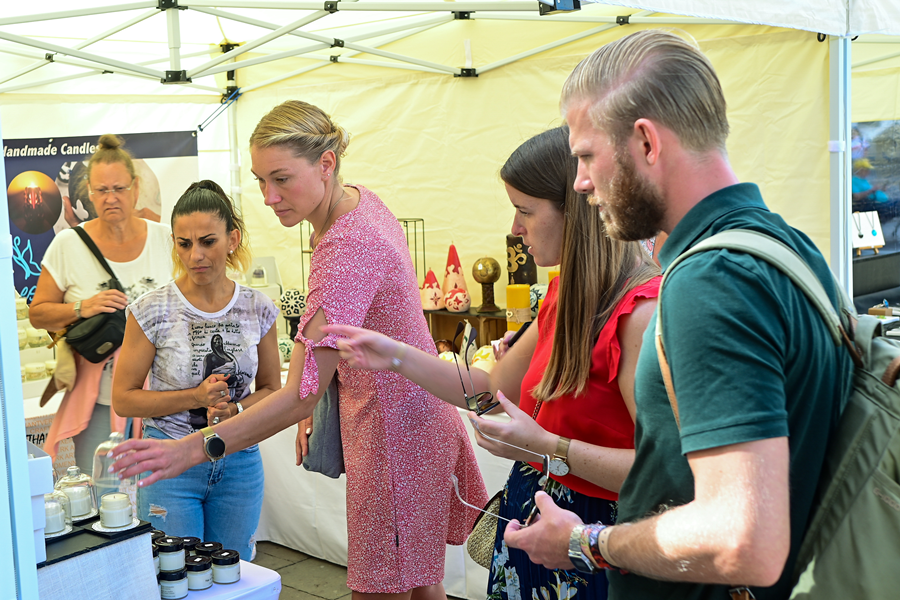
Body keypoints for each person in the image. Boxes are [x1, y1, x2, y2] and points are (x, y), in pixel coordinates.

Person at [502, 29, 853, 600]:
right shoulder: (783, 244)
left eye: (588, 156)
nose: (582, 182)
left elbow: (743, 541)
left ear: (646, 142)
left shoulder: (711, 281)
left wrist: (587, 542)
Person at [109, 100, 487, 600]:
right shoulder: (358, 203)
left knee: (383, 589)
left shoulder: (344, 248)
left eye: (281, 179)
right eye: (261, 180)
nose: (268, 196)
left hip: (396, 438)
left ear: (326, 164)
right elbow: (325, 368)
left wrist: (190, 448)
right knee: (420, 585)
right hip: (414, 426)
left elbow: (298, 393)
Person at [324, 125, 660, 600]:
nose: (514, 229)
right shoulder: (567, 297)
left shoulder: (640, 315)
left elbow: (664, 471)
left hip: (596, 548)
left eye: (525, 210)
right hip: (541, 536)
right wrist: (395, 355)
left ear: (580, 211)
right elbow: (486, 390)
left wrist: (547, 447)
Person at [111, 180, 280, 559]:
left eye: (208, 241)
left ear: (232, 238)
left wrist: (235, 410)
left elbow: (272, 389)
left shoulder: (258, 307)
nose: (195, 255)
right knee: (177, 577)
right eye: (183, 243)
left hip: (238, 460)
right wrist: (195, 397)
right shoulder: (152, 309)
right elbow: (123, 399)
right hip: (170, 465)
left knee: (235, 574)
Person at [30, 134, 173, 470]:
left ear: (136, 189)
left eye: (119, 189)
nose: (111, 198)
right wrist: (82, 308)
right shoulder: (68, 244)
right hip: (98, 400)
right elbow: (38, 314)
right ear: (90, 194)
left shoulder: (166, 238)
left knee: (161, 492)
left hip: (165, 397)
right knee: (103, 495)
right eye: (102, 190)